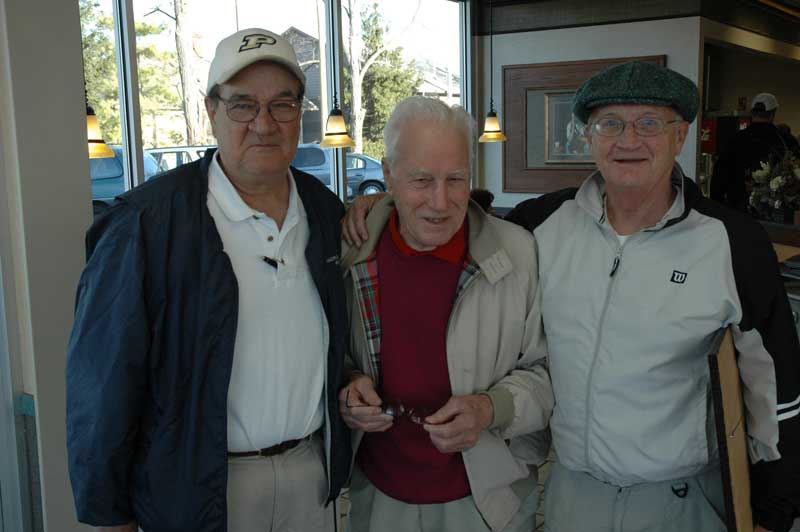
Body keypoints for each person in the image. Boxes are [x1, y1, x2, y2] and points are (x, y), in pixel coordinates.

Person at [343, 61, 800, 532]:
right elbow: (455, 218)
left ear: (679, 135)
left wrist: (773, 511)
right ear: (588, 136)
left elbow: (777, 386)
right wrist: (386, 204)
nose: (628, 141)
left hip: (681, 500)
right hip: (570, 496)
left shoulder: (731, 241)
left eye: (649, 123)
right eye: (609, 124)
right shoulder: (541, 224)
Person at [66, 28, 350, 532]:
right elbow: (102, 383)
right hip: (199, 487)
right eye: (242, 104)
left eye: (282, 104)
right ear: (211, 110)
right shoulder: (146, 224)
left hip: (310, 477)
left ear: (299, 113)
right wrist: (109, 516)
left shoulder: (325, 211)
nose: (263, 123)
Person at [338, 96, 553, 532]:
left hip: (487, 504)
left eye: (456, 179)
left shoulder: (518, 253)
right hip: (378, 496)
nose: (440, 201)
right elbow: (324, 355)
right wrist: (347, 386)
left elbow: (548, 375)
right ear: (388, 176)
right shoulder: (350, 253)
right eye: (421, 179)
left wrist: (489, 408)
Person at [711, 92, 800, 212]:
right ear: (773, 113)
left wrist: (716, 207)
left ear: (752, 113)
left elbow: (719, 177)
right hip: (778, 212)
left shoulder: (735, 140)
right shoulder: (787, 141)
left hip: (739, 210)